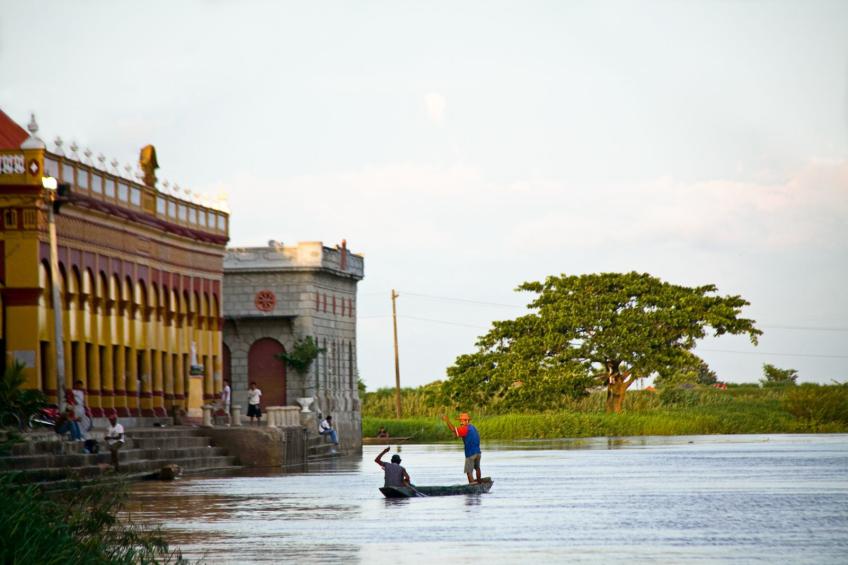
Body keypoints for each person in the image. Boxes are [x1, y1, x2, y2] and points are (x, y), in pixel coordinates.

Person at [442, 412, 482, 484]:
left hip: (471, 453)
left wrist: (447, 420)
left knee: (468, 471)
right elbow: (459, 433)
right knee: (477, 468)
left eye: (462, 421)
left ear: (467, 421)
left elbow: (453, 429)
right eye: (460, 421)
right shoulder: (473, 428)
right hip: (478, 453)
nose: (461, 422)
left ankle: (472, 485)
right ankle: (479, 482)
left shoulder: (465, 429)